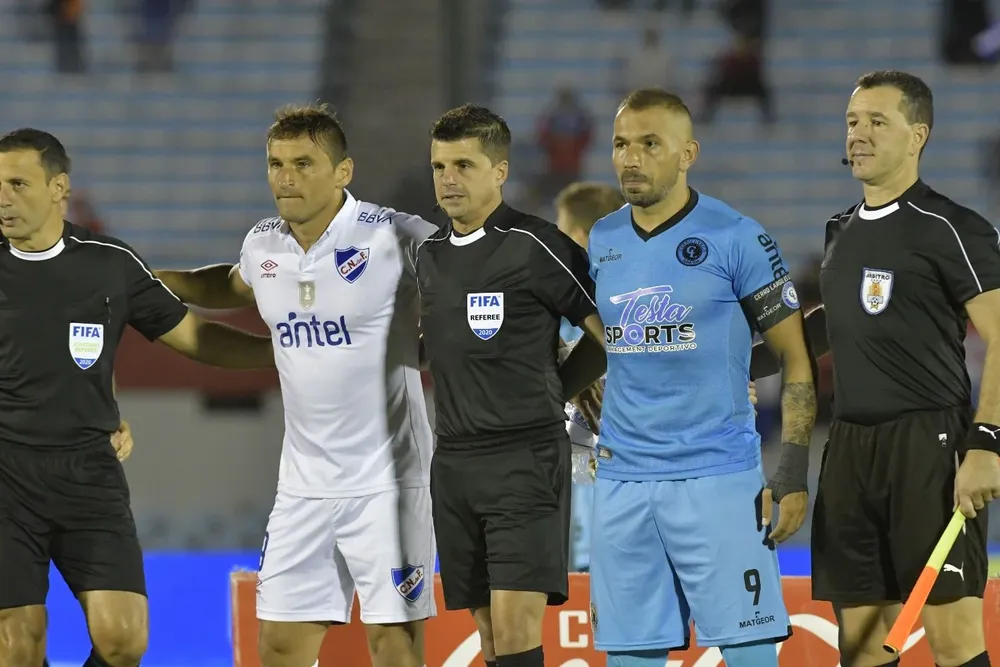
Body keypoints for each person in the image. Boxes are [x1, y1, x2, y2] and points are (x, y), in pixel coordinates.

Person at [154, 104, 437, 667]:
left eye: (303, 163)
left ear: (343, 171)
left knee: (393, 644)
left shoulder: (394, 234)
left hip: (389, 482)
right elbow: (233, 284)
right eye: (275, 163)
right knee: (280, 645)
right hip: (302, 486)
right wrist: (151, 280)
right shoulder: (263, 245)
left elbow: (473, 271)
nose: (285, 177)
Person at [0, 128, 274, 667]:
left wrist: (284, 350)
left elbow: (194, 336)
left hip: (89, 475)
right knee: (18, 644)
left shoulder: (109, 262)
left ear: (59, 187)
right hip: (6, 474)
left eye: (17, 183)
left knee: (124, 642)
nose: (3, 197)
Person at [586, 89, 817, 667]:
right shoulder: (602, 239)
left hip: (717, 478)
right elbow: (608, 344)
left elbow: (795, 358)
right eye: (620, 144)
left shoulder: (737, 236)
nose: (630, 158)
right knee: (631, 657)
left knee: (748, 656)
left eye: (648, 144)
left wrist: (790, 471)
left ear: (688, 153)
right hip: (623, 483)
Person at [808, 70, 1000, 667]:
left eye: (876, 122)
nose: (858, 134)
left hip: (930, 447)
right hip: (848, 448)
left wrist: (987, 443)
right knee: (862, 640)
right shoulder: (838, 229)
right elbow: (827, 326)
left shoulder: (953, 228)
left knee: (952, 636)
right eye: (852, 122)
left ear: (917, 135)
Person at [417, 104, 606, 667]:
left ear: (499, 171)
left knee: (516, 628)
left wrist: (561, 387)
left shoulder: (536, 244)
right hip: (453, 462)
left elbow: (612, 335)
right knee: (491, 637)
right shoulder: (427, 256)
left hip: (525, 457)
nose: (448, 179)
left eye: (464, 165)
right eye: (439, 166)